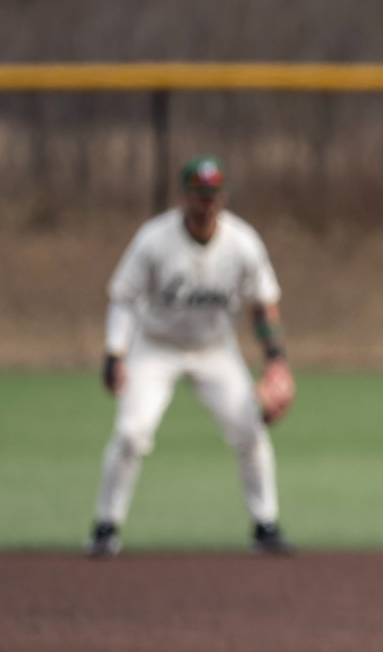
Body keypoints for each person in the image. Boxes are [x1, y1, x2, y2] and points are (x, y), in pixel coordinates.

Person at [88, 155, 296, 557]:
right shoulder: (154, 239)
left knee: (250, 429)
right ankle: (105, 527)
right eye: (200, 195)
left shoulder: (243, 243)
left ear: (223, 197)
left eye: (214, 195)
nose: (207, 203)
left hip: (215, 350)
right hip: (156, 347)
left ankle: (265, 525)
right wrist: (115, 352)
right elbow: (124, 298)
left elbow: (264, 303)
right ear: (186, 196)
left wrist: (276, 359)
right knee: (131, 433)